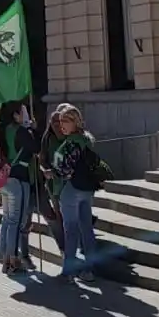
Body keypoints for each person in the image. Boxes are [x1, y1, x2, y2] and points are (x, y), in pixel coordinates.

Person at [51, 104, 100, 283]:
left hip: (71, 189)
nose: (62, 124)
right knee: (86, 229)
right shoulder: (87, 140)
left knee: (71, 230)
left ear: (75, 122)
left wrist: (53, 173)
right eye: (61, 121)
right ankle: (89, 270)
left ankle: (68, 271)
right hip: (87, 189)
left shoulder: (71, 143)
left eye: (66, 120)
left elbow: (65, 168)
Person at [0, 102, 38, 275]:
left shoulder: (2, 130)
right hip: (18, 179)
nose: (25, 115)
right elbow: (36, 148)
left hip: (4, 179)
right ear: (15, 115)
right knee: (16, 221)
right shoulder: (21, 131)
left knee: (7, 220)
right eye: (23, 112)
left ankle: (6, 259)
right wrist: (32, 129)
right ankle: (13, 261)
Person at [38, 108, 66, 254]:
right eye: (53, 121)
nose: (56, 124)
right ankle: (64, 243)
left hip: (69, 182)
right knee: (58, 212)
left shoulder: (69, 137)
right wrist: (44, 170)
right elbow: (41, 159)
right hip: (53, 182)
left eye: (58, 121)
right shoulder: (47, 138)